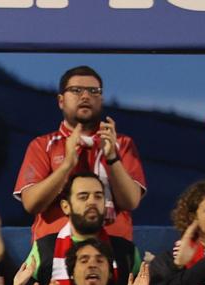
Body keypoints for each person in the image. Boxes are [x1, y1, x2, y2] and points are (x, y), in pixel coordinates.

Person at [15, 64, 147, 239]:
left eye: (94, 91)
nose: (85, 96)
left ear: (101, 99)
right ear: (61, 101)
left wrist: (112, 158)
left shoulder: (122, 143)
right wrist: (66, 165)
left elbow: (130, 201)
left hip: (112, 247)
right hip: (54, 246)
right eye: (76, 90)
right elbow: (31, 204)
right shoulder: (43, 145)